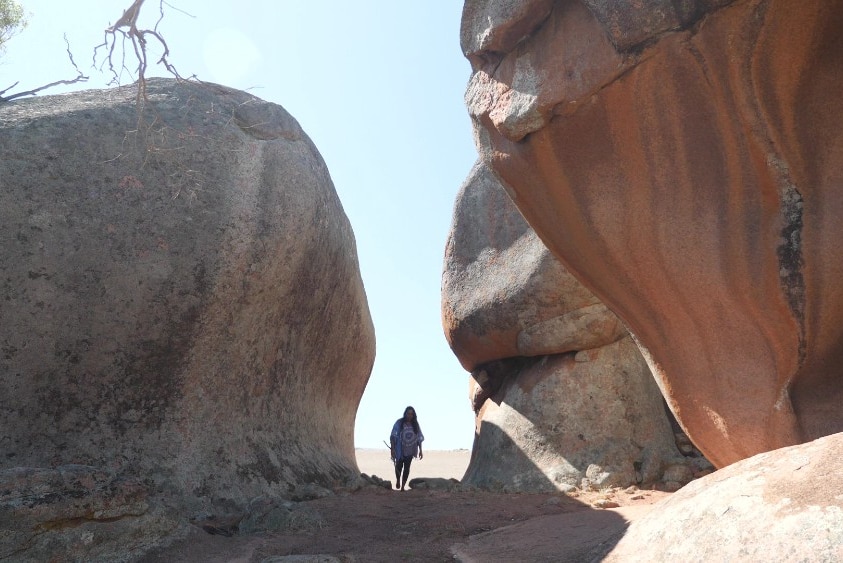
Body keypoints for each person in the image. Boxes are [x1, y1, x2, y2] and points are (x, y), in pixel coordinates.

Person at [390, 406, 424, 491]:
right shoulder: (399, 422)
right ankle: (398, 480)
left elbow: (419, 438)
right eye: (408, 413)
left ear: (413, 415)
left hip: (410, 450)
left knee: (407, 468)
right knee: (399, 466)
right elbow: (393, 435)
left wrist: (420, 450)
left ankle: (403, 486)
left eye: (411, 414)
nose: (410, 416)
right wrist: (393, 449)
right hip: (400, 449)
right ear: (405, 414)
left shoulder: (415, 424)